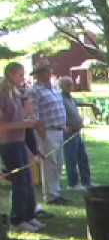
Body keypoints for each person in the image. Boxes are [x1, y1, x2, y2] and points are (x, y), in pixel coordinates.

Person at [0, 62, 47, 232]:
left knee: (28, 181)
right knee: (19, 182)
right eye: (20, 75)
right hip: (8, 145)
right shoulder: (2, 94)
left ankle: (29, 216)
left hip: (20, 142)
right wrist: (26, 124)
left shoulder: (15, 94)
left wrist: (27, 126)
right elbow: (2, 126)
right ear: (11, 75)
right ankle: (17, 219)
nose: (23, 78)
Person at [27, 63, 70, 205]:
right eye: (44, 71)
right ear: (38, 75)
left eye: (48, 71)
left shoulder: (55, 89)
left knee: (59, 163)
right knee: (50, 163)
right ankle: (51, 196)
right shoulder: (35, 91)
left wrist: (64, 125)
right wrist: (41, 131)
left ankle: (56, 191)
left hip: (59, 130)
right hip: (46, 131)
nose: (48, 73)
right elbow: (33, 112)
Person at [58, 76, 92, 191]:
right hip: (69, 133)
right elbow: (61, 116)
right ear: (62, 86)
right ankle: (73, 184)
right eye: (67, 85)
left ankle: (87, 182)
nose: (70, 87)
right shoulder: (60, 99)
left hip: (77, 132)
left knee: (83, 157)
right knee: (71, 159)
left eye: (71, 84)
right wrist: (67, 127)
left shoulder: (70, 98)